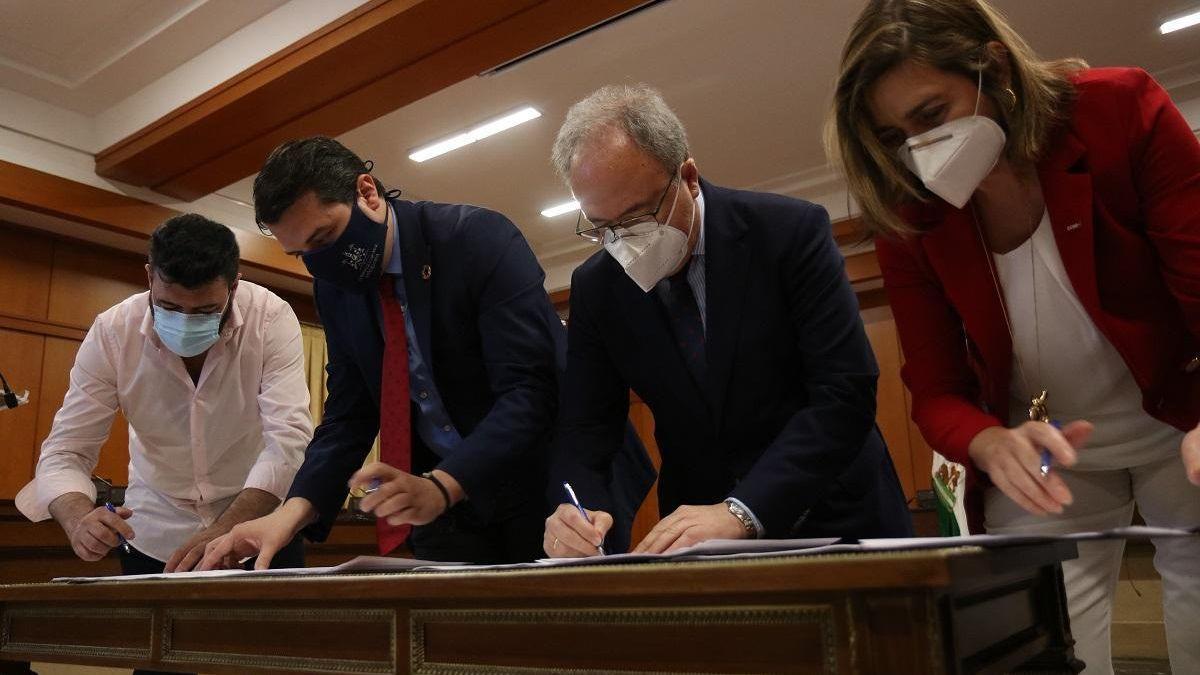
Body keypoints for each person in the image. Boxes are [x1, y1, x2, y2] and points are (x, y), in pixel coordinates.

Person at [827, 1, 1200, 672]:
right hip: (1050, 450)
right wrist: (989, 440)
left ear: (991, 67)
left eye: (930, 115)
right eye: (890, 135)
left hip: (1183, 422)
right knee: (1035, 639)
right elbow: (936, 389)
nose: (915, 149)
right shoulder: (909, 217)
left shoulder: (1118, 110)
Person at [543, 84, 913, 559]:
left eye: (639, 216)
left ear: (689, 177)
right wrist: (575, 510)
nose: (624, 244)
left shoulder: (787, 232)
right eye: (602, 228)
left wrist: (743, 510)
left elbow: (844, 392)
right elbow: (586, 427)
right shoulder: (597, 286)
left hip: (832, 515)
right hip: (699, 539)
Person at [199, 136, 563, 568]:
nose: (323, 262)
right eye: (303, 254)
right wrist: (290, 513)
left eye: (326, 236)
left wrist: (443, 485)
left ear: (366, 192)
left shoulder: (475, 239)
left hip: (545, 483)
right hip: (442, 503)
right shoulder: (334, 291)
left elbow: (530, 390)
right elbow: (349, 415)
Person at [15, 214, 311, 574]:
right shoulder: (113, 333)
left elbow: (288, 440)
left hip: (257, 527)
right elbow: (65, 451)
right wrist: (78, 519)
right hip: (153, 533)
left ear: (235, 284)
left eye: (205, 311)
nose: (185, 322)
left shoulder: (271, 319)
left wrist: (223, 529)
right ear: (149, 276)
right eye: (169, 307)